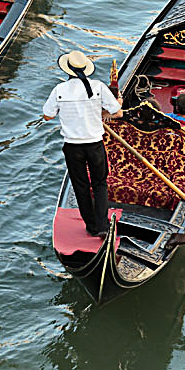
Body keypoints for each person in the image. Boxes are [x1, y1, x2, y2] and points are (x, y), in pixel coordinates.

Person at [43, 50, 123, 238]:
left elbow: (47, 116)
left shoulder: (59, 90)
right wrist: (102, 112)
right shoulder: (98, 86)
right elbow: (118, 113)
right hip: (95, 145)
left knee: (80, 186)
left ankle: (92, 226)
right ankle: (103, 226)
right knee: (100, 184)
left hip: (72, 147)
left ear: (67, 70)